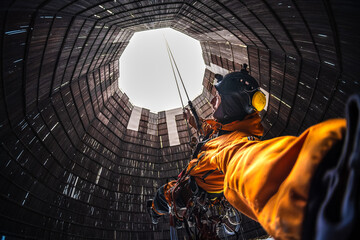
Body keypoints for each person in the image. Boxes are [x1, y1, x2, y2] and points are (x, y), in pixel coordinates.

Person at [147, 66, 359, 240]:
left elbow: (250, 162)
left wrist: (311, 181)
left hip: (196, 190)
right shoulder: (227, 128)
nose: (212, 103)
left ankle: (155, 212)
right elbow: (209, 130)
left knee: (163, 196)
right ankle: (157, 211)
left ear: (230, 105)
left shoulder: (232, 144)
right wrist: (194, 120)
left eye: (218, 98)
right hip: (202, 187)